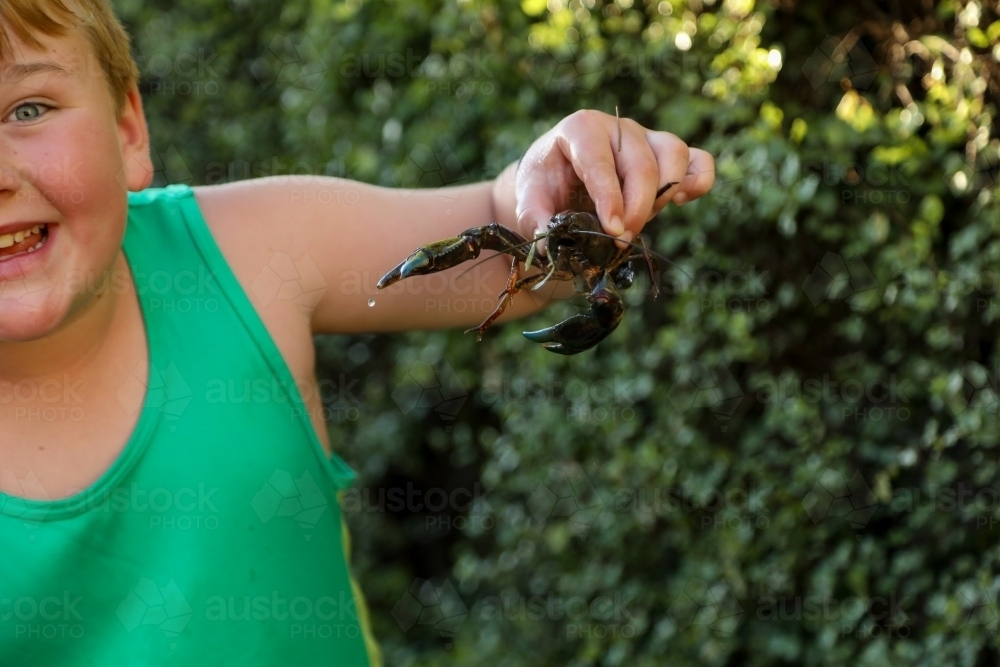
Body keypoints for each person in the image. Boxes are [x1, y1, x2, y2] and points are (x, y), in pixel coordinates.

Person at [0, 1, 715, 665]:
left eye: (27, 108)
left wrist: (584, 181)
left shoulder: (252, 250)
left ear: (129, 131)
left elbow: (506, 240)